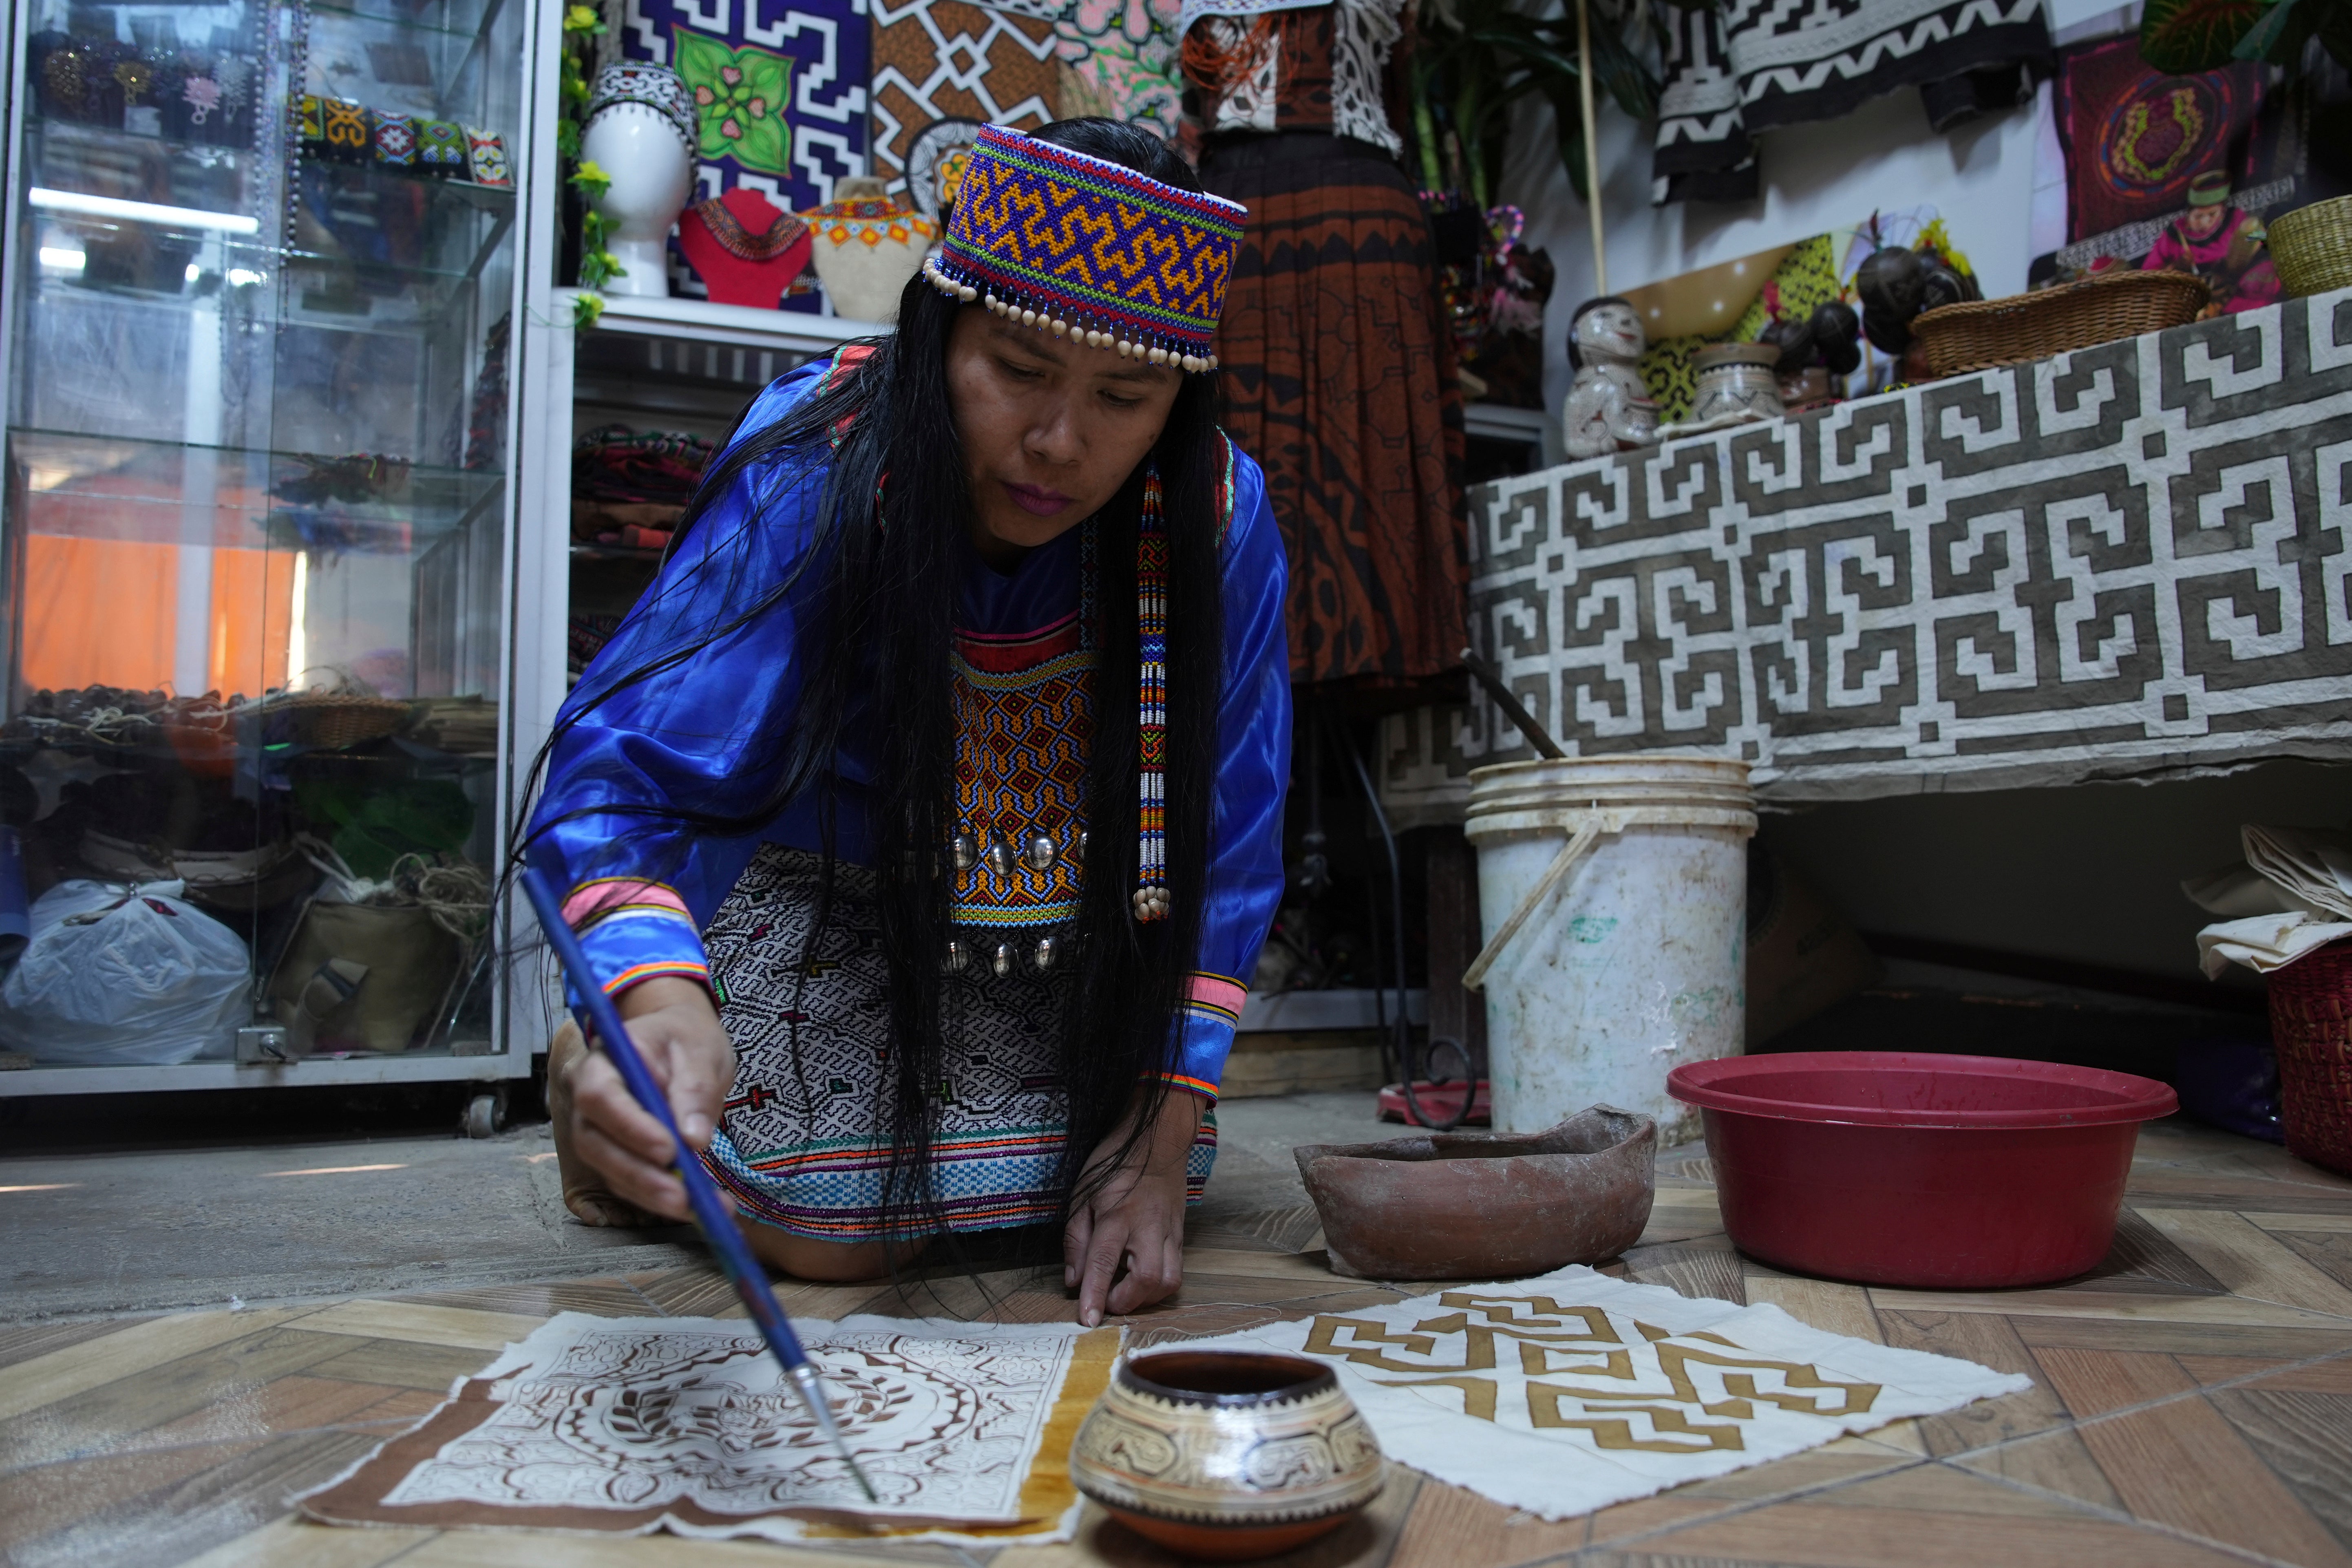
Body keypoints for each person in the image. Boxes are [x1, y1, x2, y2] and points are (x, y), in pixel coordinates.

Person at [527, 119, 1291, 1328]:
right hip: (824, 896)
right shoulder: (821, 457)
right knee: (824, 1235)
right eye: (1021, 369)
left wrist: (1159, 1123)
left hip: (1059, 936)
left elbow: (1229, 838)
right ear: (943, 332)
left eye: (1125, 396)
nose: (1059, 443)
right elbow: (626, 773)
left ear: (1176, 402)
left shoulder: (1217, 519)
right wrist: (656, 1006)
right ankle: (585, 1070)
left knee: (1143, 1181)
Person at [2142, 170, 2281, 318]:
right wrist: (2176, 267)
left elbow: (2263, 240)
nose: (2205, 222)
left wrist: (2262, 239)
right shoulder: (2174, 235)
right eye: (2198, 216)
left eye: (2212, 215)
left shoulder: (2236, 219)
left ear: (2222, 213)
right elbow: (2147, 276)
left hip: (2234, 289)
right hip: (2194, 299)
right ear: (2188, 215)